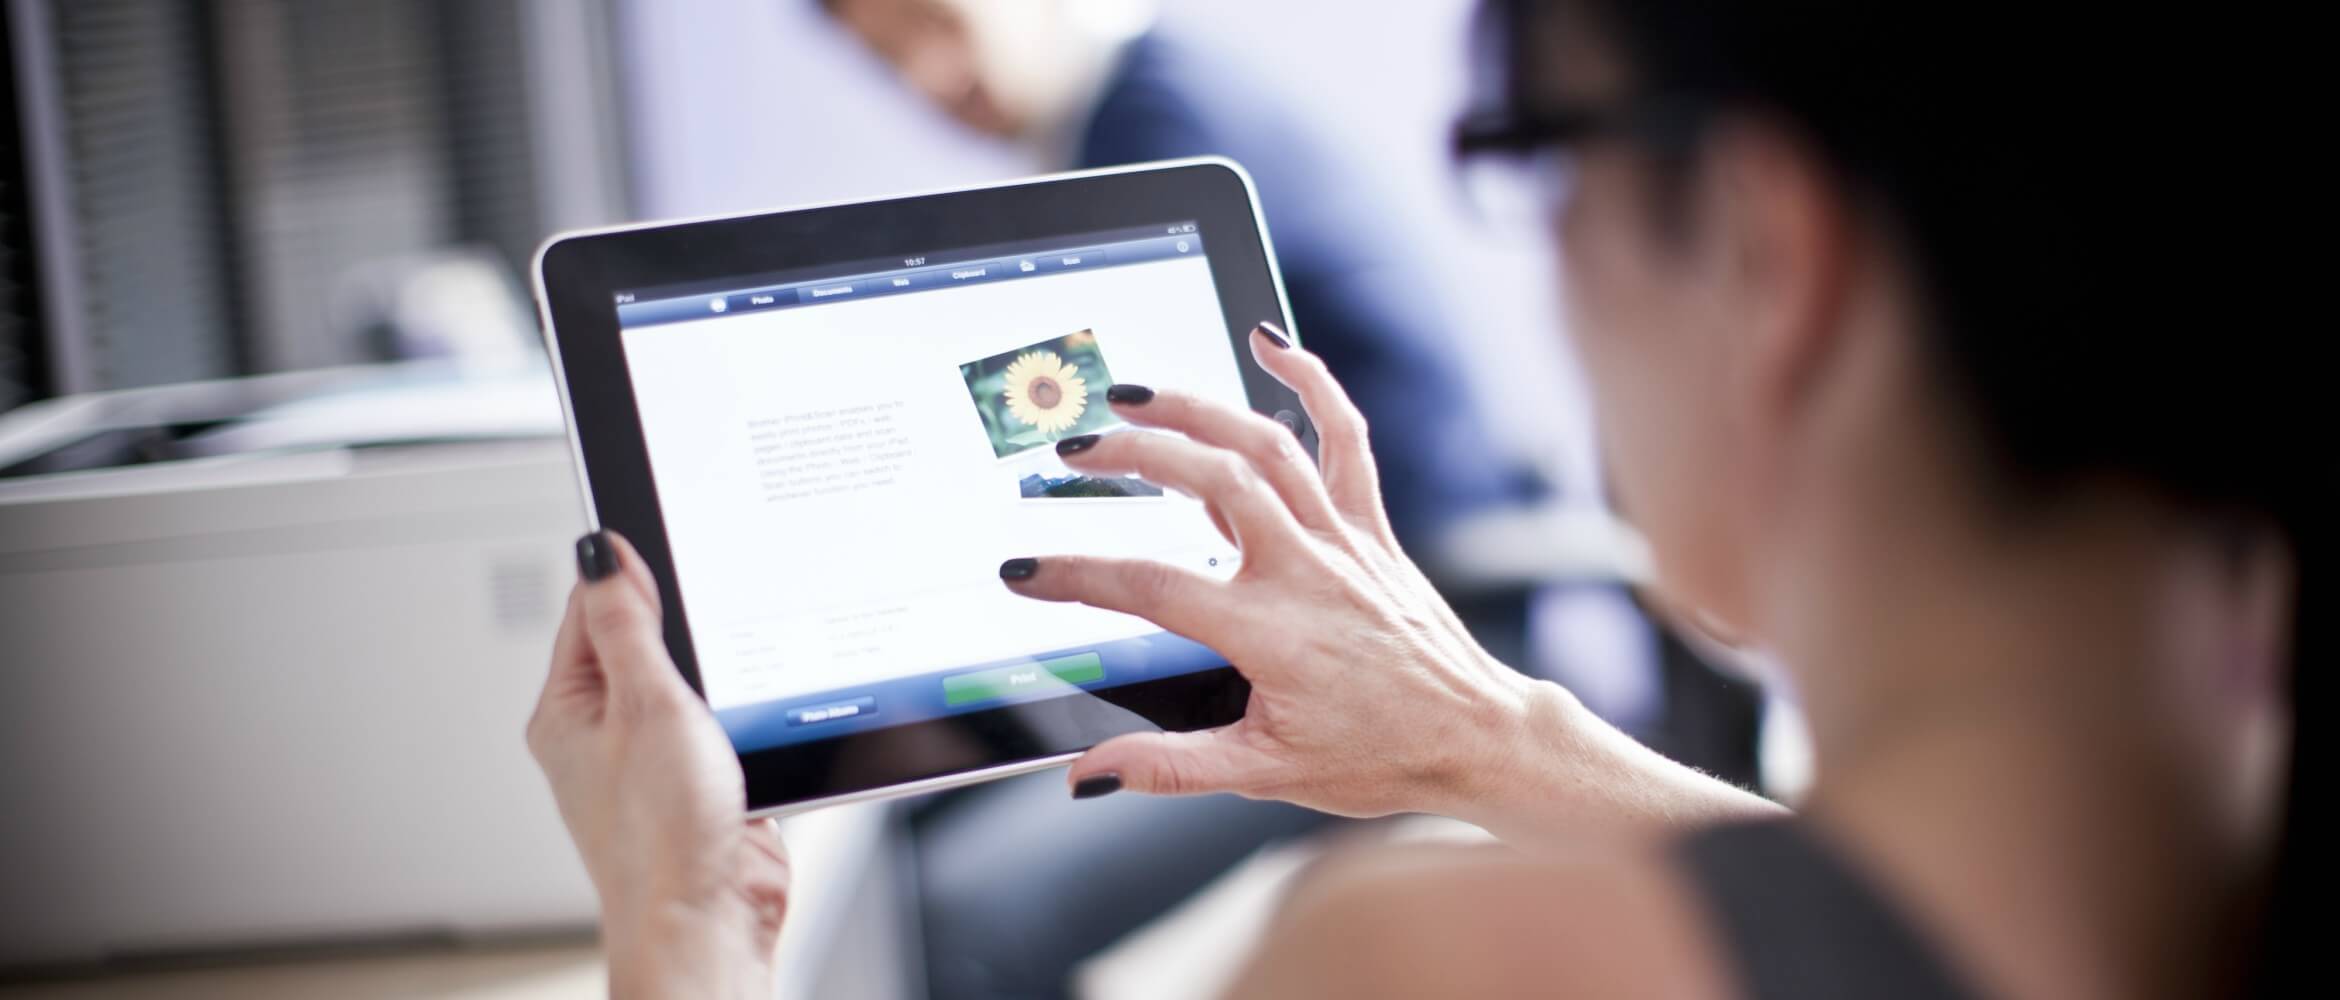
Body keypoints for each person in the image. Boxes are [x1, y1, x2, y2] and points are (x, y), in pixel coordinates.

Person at [528, 1, 2308, 996]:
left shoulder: (1455, 975)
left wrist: (683, 937)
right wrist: (1492, 740)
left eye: (1523, 157)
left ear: (1767, 258)